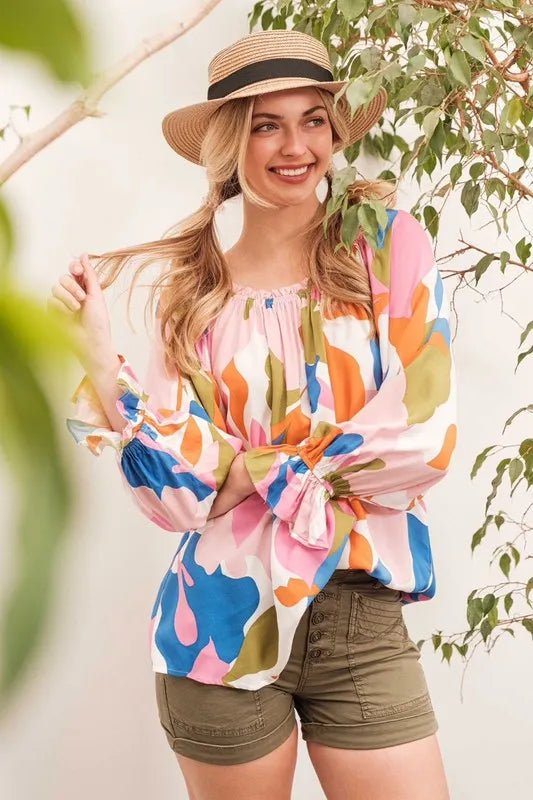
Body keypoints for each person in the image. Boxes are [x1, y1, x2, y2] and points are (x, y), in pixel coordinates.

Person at [49, 28, 457, 800]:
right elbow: (178, 497)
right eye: (267, 124)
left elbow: (421, 439)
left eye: (312, 120)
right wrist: (100, 359)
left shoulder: (385, 247)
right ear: (231, 142)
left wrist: (245, 468)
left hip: (360, 621)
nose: (294, 146)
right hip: (218, 627)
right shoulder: (192, 297)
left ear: (334, 132)